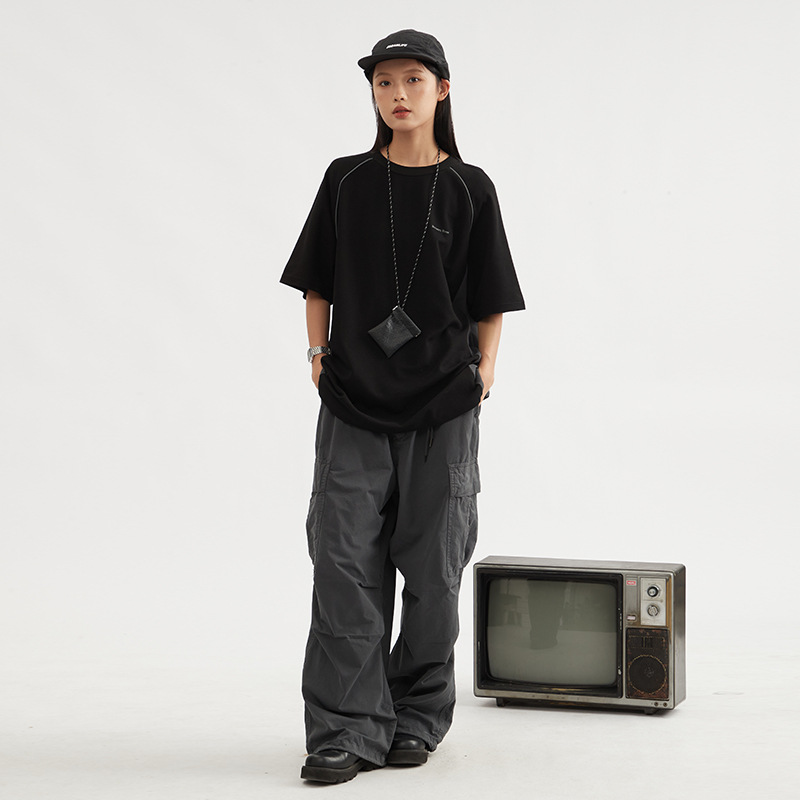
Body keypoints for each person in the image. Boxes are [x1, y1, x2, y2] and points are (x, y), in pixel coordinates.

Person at [280, 29, 525, 784]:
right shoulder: (347, 179)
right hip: (353, 398)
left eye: (413, 79)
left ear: (441, 90)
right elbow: (317, 278)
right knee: (342, 562)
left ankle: (415, 715)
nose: (397, 94)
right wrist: (318, 354)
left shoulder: (470, 187)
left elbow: (490, 294)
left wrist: (485, 368)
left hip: (444, 401)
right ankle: (346, 728)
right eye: (384, 82)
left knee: (434, 567)